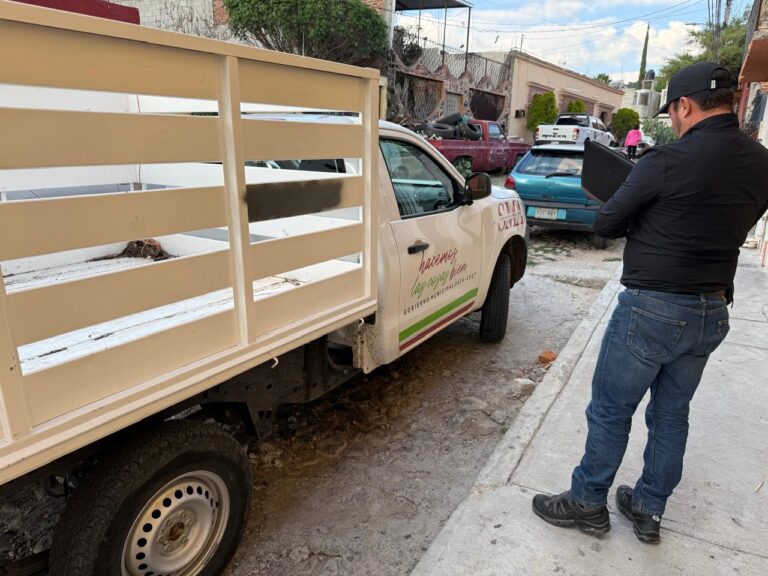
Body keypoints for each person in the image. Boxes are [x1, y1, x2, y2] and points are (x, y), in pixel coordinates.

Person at [531, 62, 768, 543]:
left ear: (684, 105)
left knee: (611, 410)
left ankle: (588, 502)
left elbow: (606, 222)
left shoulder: (666, 160)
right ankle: (648, 508)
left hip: (653, 309)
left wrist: (646, 219)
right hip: (713, 309)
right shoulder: (763, 162)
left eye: (675, 111)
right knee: (671, 415)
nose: (675, 121)